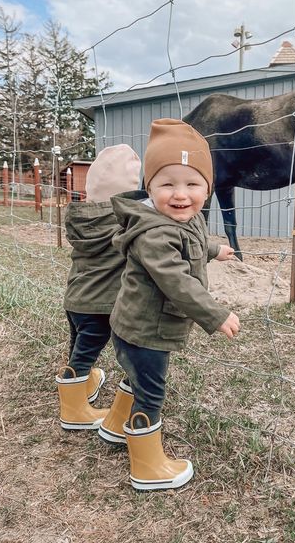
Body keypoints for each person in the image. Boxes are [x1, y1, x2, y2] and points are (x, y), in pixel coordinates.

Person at [109, 118, 240, 491]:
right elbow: (176, 280)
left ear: (207, 189)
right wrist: (215, 314)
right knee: (151, 390)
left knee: (137, 377)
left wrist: (215, 250)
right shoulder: (154, 233)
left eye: (193, 184)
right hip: (143, 330)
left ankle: (118, 427)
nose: (180, 194)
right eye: (167, 184)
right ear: (149, 187)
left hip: (139, 326)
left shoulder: (188, 218)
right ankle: (147, 467)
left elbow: (193, 241)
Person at [56, 144, 141, 430]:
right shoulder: (124, 220)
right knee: (85, 353)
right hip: (99, 305)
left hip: (75, 298)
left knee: (77, 346)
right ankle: (74, 411)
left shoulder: (80, 217)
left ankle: (83, 383)